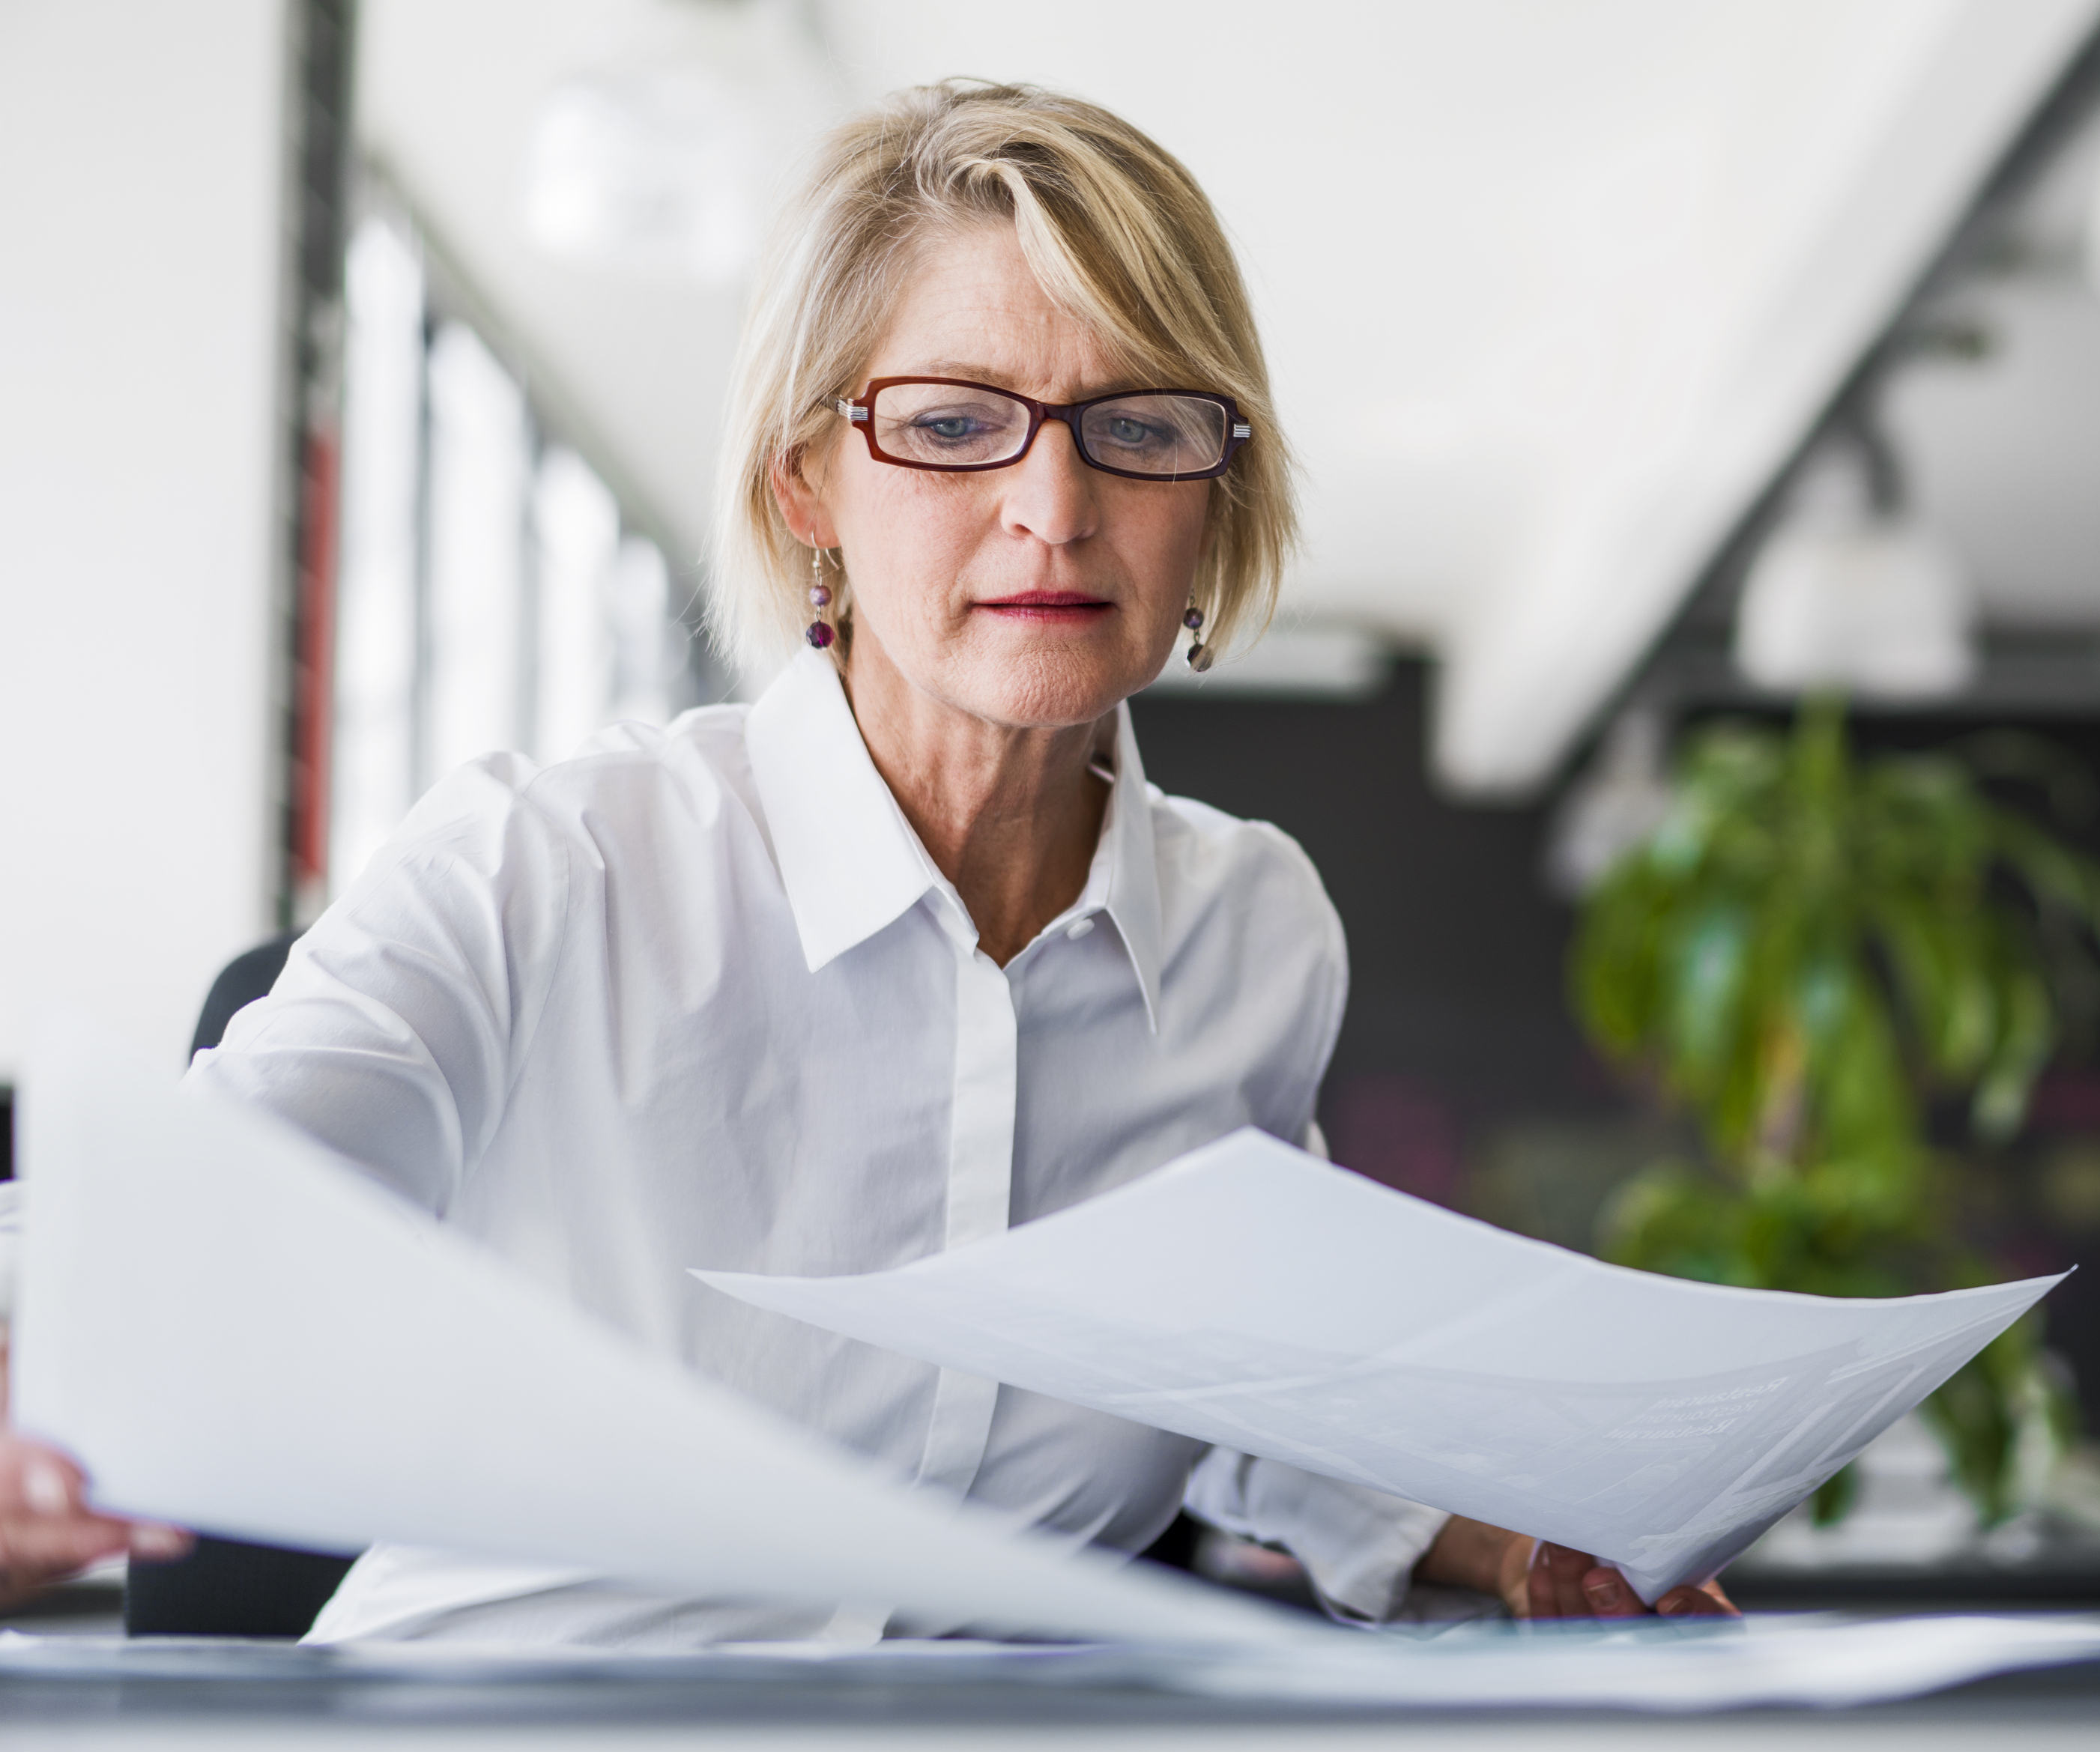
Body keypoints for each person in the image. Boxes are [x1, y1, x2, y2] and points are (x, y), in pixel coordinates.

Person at [0, 81, 1731, 1637]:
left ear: (1214, 489)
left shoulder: (1248, 934)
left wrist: (1506, 1540)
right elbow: (161, 1229)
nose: (1054, 510)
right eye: (958, 422)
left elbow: (1231, 1375)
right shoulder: (551, 869)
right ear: (807, 484)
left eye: (1137, 424)